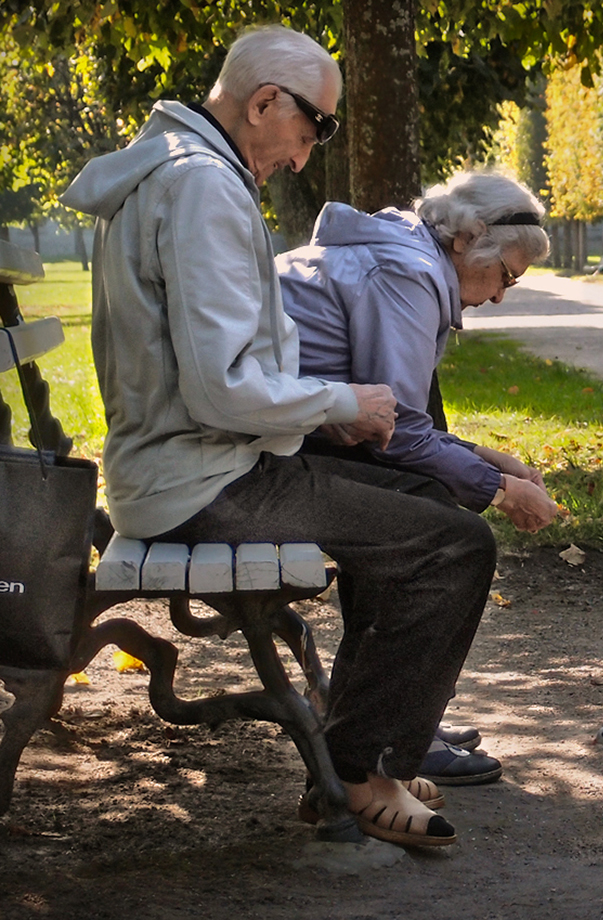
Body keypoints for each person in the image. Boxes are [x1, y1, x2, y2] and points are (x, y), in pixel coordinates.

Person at [61, 25, 484, 849]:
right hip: (205, 483)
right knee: (454, 545)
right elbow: (221, 387)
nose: (304, 155)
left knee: (427, 499)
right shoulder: (203, 189)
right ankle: (357, 771)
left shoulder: (179, 172)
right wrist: (339, 403)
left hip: (195, 466)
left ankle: (368, 748)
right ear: (263, 103)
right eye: (312, 128)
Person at [276, 171, 560, 786]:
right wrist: (501, 489)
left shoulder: (403, 251)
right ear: (469, 238)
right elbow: (396, 431)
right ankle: (381, 741)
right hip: (267, 458)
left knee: (427, 503)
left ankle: (389, 720)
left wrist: (485, 459)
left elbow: (395, 419)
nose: (501, 295)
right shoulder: (406, 272)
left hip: (287, 440)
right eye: (507, 276)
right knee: (446, 534)